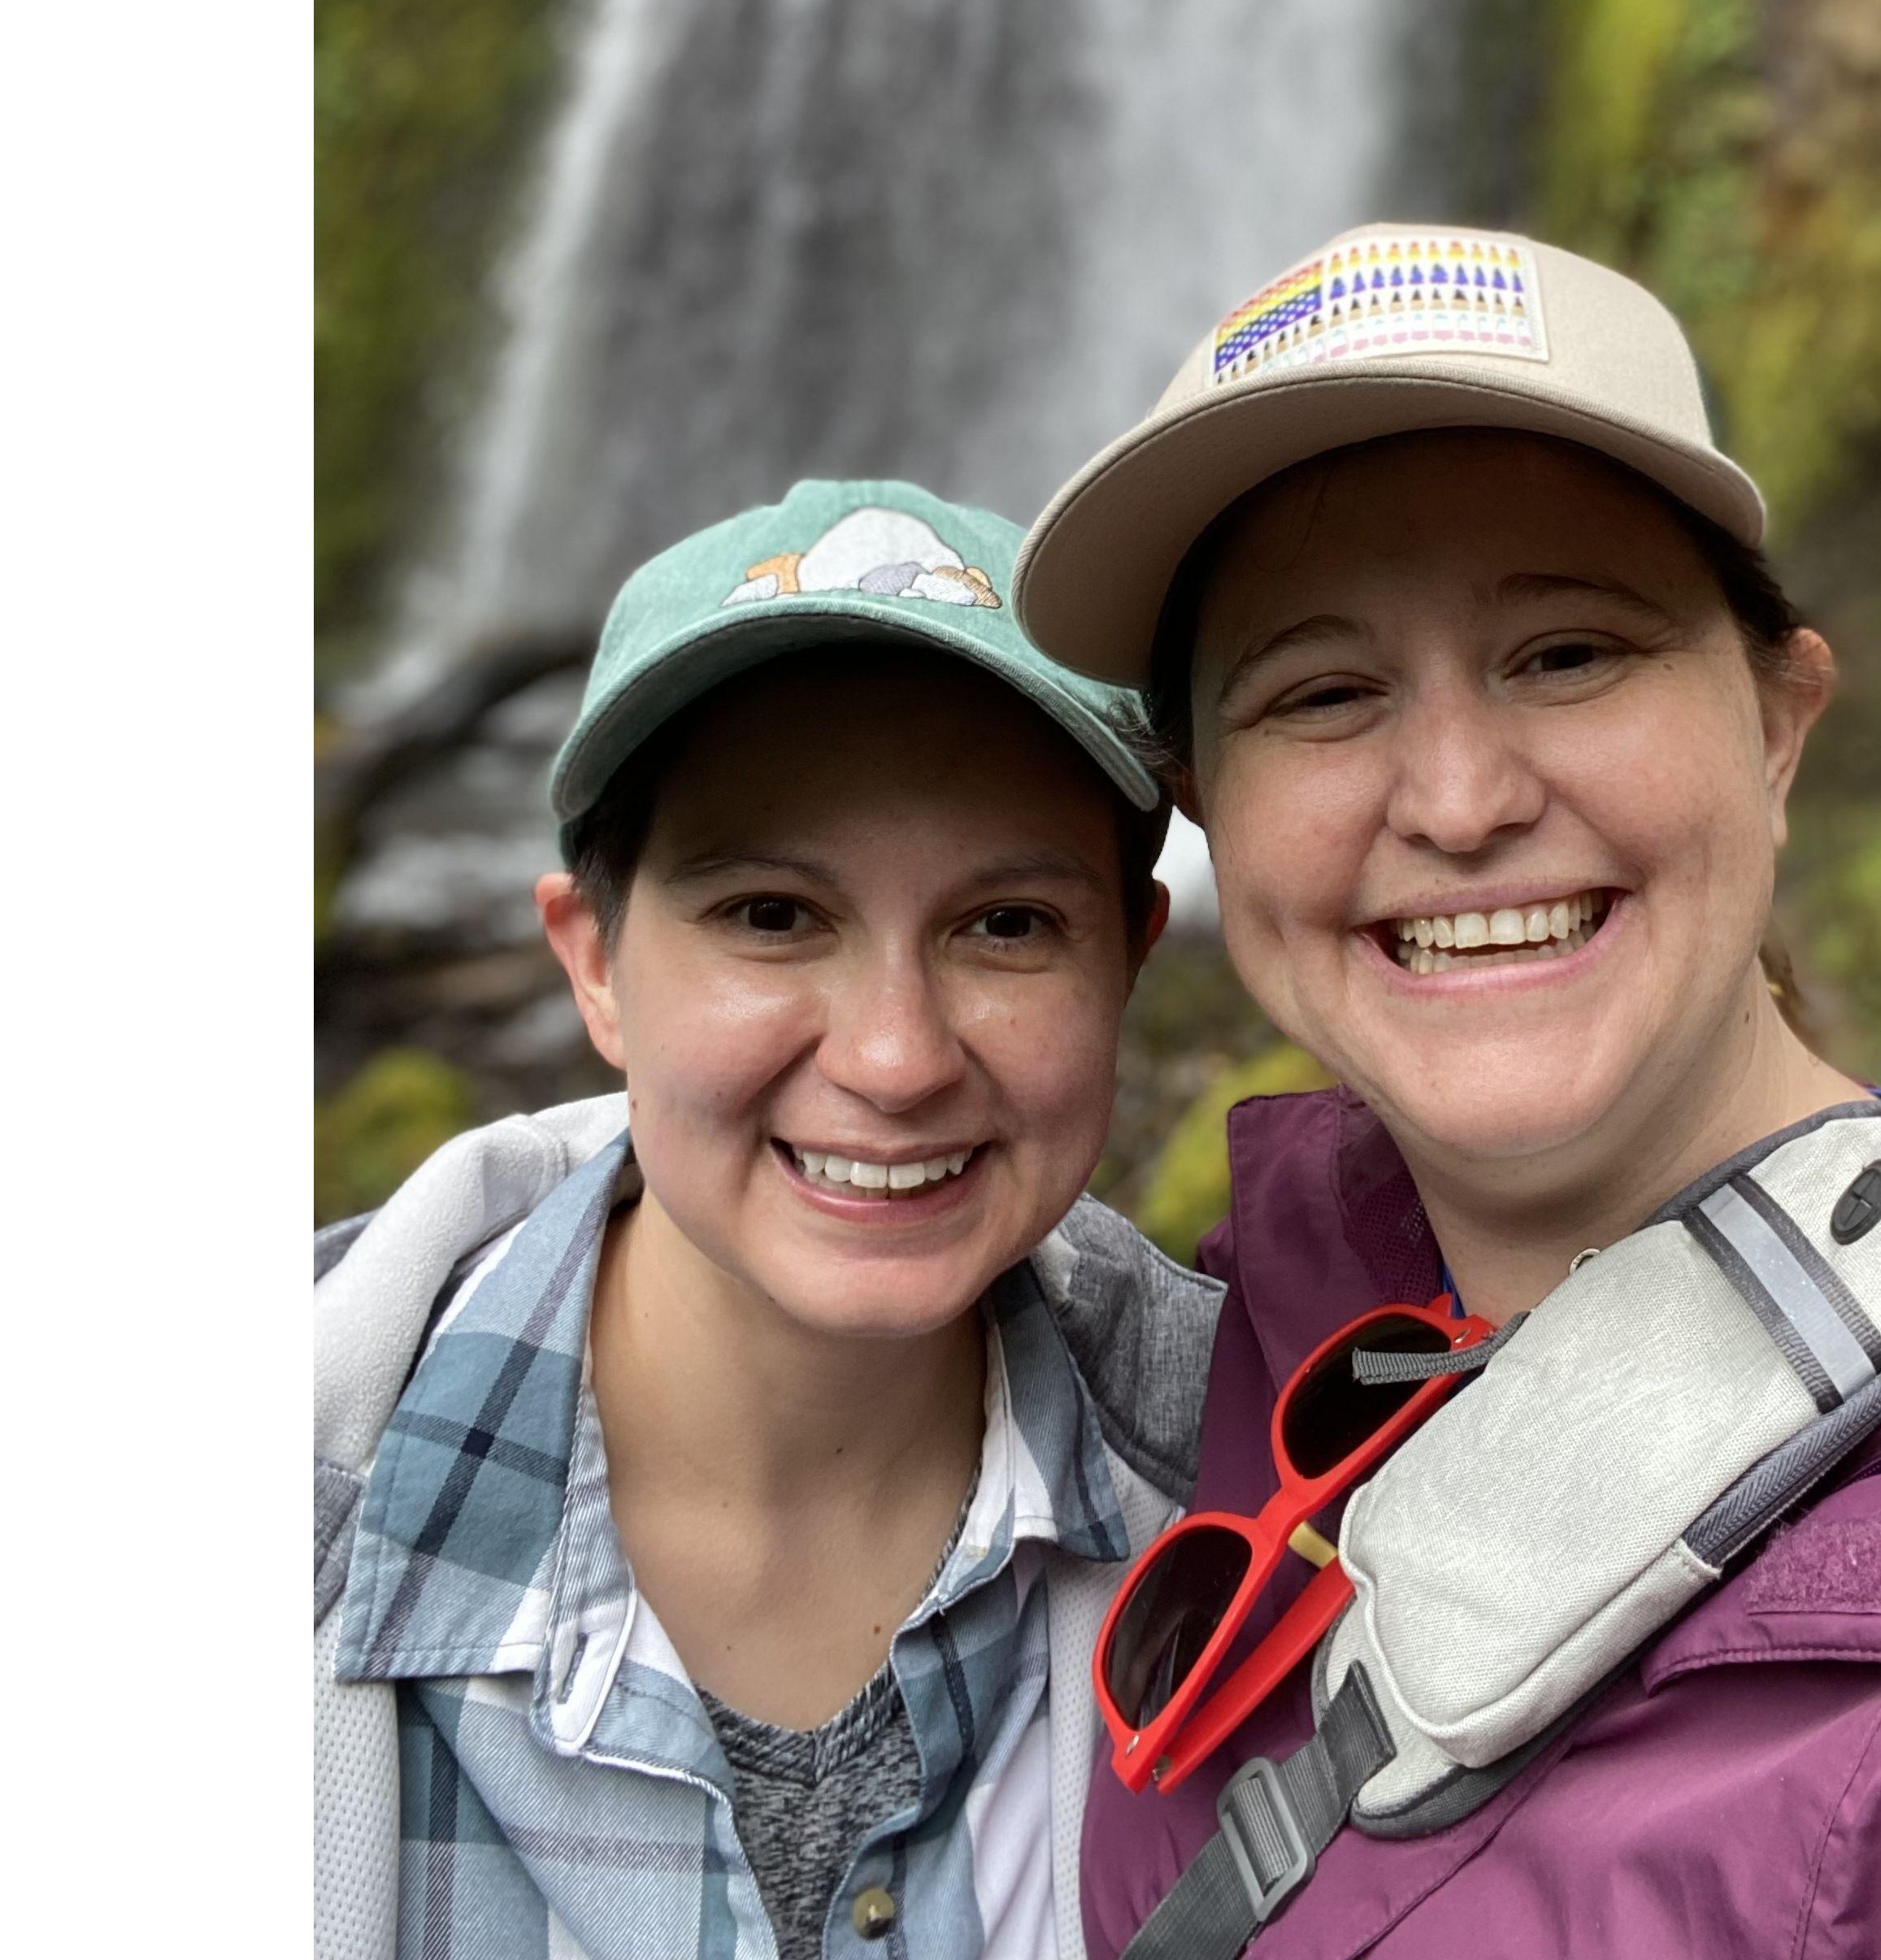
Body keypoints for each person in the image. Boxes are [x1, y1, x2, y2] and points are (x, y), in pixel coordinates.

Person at [1014, 226, 1881, 1958]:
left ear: (1778, 724)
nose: (1460, 795)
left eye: (1566, 652)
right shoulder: (1240, 1339)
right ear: (1206, 810)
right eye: (1325, 692)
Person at [314, 480, 1223, 1960]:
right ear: (594, 963)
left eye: (1006, 925)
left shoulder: (1284, 1500)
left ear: (1127, 961)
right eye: (771, 915)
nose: (896, 1055)